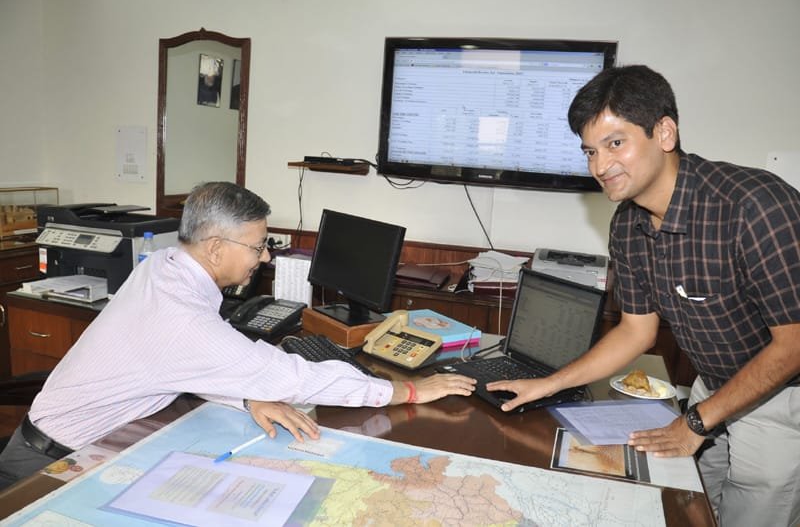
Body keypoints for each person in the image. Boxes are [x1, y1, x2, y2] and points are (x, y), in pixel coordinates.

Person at [0, 182, 476, 489]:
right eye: (258, 246)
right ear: (214, 248)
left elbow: (183, 362)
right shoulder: (181, 315)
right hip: (50, 467)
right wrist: (408, 389)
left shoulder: (165, 266)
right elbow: (292, 378)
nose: (265, 257)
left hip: (79, 442)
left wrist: (247, 399)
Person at [487, 65, 800, 526]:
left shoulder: (755, 205)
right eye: (590, 151)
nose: (598, 167)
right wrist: (550, 384)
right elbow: (636, 330)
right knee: (688, 504)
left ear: (665, 133)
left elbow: (793, 344)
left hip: (781, 395)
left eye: (616, 143)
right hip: (713, 385)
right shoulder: (627, 225)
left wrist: (695, 423)